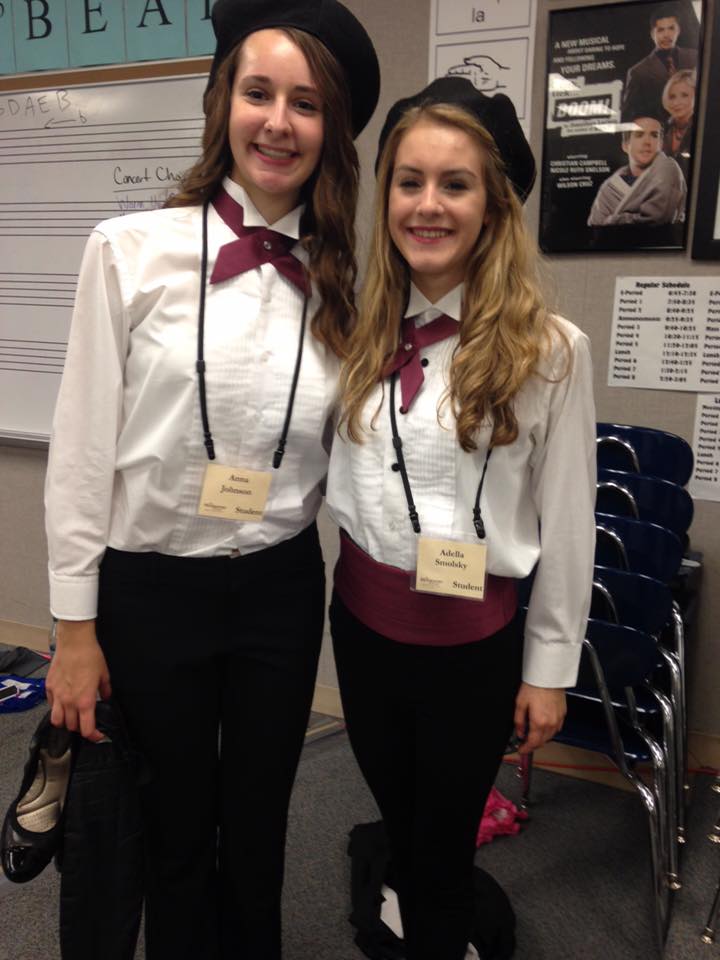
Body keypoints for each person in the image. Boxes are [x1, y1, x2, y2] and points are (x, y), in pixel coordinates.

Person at [43, 1, 379, 957]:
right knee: (176, 828)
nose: (278, 121)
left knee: (262, 823)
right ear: (222, 104)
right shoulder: (128, 251)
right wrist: (74, 629)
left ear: (331, 130)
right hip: (153, 590)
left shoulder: (345, 283)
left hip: (279, 587)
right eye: (258, 93)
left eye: (305, 103)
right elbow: (80, 452)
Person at [326, 76, 596, 960]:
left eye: (455, 184)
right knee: (401, 827)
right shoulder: (354, 331)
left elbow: (569, 522)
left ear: (493, 207)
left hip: (472, 650)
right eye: (409, 182)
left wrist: (549, 670)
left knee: (443, 853)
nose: (428, 205)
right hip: (362, 630)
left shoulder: (550, 350)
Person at [587, 113, 686, 226]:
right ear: (625, 145)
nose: (647, 142)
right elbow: (596, 224)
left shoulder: (668, 170)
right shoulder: (609, 188)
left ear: (661, 144)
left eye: (654, 135)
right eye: (639, 135)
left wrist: (612, 221)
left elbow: (657, 219)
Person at [622, 3, 697, 120]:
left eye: (671, 28)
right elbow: (628, 115)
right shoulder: (638, 72)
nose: (666, 35)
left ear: (678, 30)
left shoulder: (695, 57)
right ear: (653, 34)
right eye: (661, 30)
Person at [661, 68, 695, 179]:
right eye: (672, 97)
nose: (676, 103)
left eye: (684, 95)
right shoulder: (661, 129)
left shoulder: (703, 130)